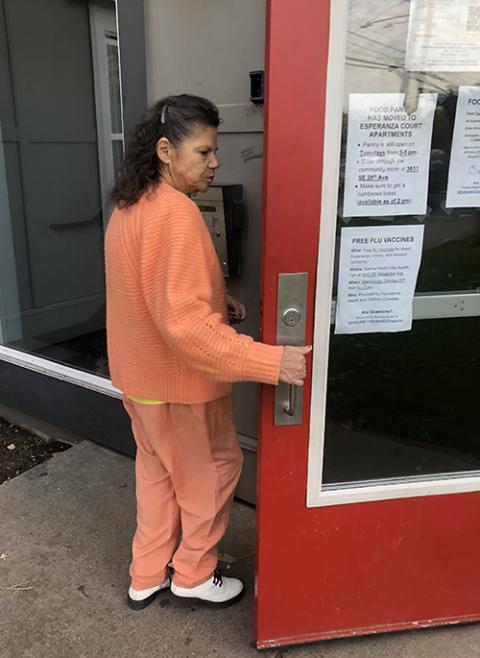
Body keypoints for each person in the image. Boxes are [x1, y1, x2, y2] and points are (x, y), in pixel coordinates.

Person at [104, 93, 311, 610]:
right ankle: (194, 574)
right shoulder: (175, 215)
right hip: (180, 386)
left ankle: (146, 574)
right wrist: (272, 362)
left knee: (157, 477)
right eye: (204, 151)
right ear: (165, 151)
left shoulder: (133, 205)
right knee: (212, 476)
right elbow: (186, 329)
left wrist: (221, 303)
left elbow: (151, 295)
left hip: (141, 381)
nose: (215, 162)